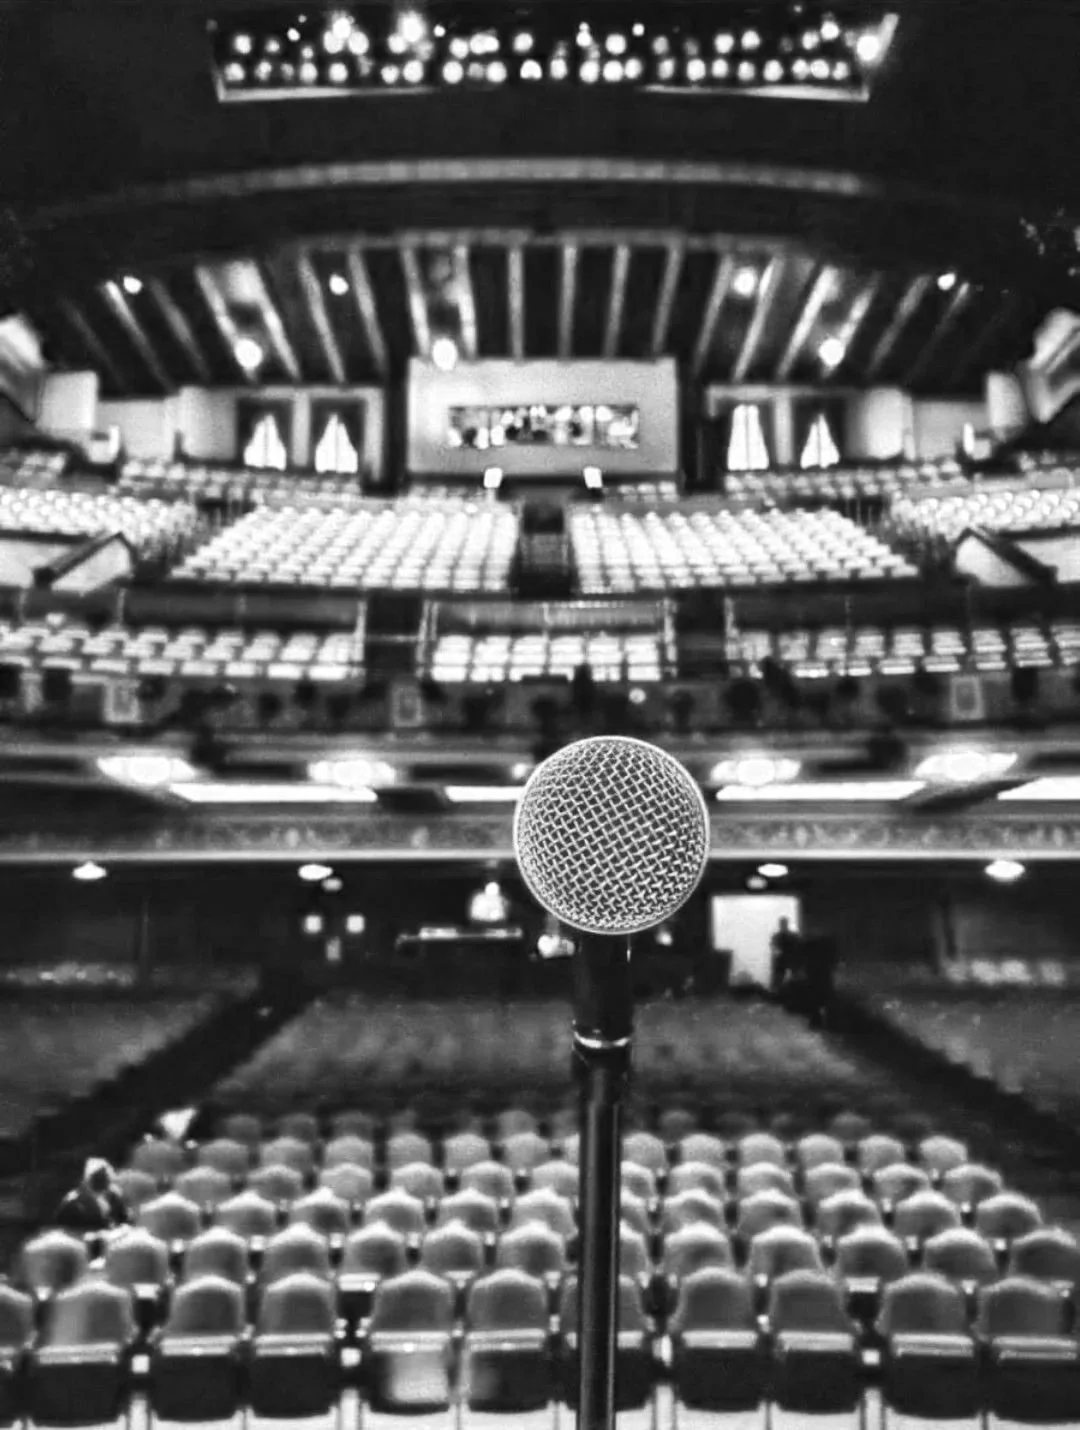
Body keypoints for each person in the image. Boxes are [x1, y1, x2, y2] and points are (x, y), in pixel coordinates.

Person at [53, 1159, 131, 1234]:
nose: (103, 1180)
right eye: (99, 1176)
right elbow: (67, 1229)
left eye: (105, 1176)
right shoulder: (74, 1202)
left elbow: (125, 1220)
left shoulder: (113, 1196)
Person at [770, 917, 800, 995]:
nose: (783, 925)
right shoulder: (777, 936)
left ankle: (797, 994)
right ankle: (776, 993)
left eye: (784, 924)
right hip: (782, 960)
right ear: (780, 925)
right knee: (778, 980)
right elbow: (774, 947)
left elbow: (799, 947)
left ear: (787, 924)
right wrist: (776, 951)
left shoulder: (793, 936)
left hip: (791, 959)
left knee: (796, 978)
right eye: (782, 924)